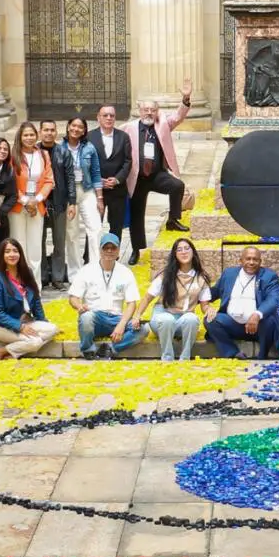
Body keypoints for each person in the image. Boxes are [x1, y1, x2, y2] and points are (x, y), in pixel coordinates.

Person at [124, 79, 194, 261]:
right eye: (146, 110)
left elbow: (178, 116)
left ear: (157, 112)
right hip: (137, 178)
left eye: (152, 110)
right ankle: (136, 250)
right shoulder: (128, 128)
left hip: (156, 175)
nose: (149, 113)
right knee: (136, 215)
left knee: (177, 185)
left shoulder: (163, 124)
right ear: (140, 111)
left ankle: (173, 220)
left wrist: (185, 98)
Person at [68, 234, 145, 359]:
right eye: (106, 248)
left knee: (142, 329)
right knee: (86, 318)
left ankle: (111, 349)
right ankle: (88, 350)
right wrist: (79, 306)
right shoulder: (87, 270)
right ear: (100, 250)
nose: (109, 251)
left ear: (118, 251)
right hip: (95, 316)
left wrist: (121, 324)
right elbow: (73, 297)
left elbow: (132, 303)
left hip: (116, 319)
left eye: (113, 248)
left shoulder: (126, 273)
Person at [0, 237, 57, 360]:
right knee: (35, 342)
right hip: (2, 326)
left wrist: (42, 322)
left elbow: (35, 300)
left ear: (20, 253)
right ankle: (1, 351)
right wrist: (20, 327)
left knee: (53, 329)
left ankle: (13, 351)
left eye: (15, 250)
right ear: (1, 256)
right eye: (7, 251)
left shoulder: (26, 272)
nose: (12, 254)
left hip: (25, 322)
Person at [206, 247, 279, 359]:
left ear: (260, 262)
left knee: (270, 321)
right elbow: (214, 292)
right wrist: (202, 299)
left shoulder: (269, 276)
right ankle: (232, 353)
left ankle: (262, 356)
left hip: (258, 327)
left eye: (255, 259)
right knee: (211, 320)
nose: (251, 262)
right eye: (248, 259)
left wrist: (257, 315)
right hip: (233, 324)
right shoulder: (229, 274)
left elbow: (272, 300)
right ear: (240, 260)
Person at [146, 238, 215, 361]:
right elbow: (147, 297)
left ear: (193, 252)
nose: (184, 252)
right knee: (167, 320)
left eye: (187, 248)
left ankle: (185, 357)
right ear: (175, 255)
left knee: (192, 319)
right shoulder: (165, 275)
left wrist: (209, 309)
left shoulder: (201, 278)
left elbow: (204, 305)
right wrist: (137, 316)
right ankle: (167, 357)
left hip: (183, 320)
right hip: (163, 318)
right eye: (179, 250)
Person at [7, 123, 56, 281]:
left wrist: (37, 200)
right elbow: (11, 182)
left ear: (37, 135)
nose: (29, 138)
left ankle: (35, 288)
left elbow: (49, 180)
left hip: (37, 205)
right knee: (18, 246)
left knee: (35, 249)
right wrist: (26, 201)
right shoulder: (13, 155)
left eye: (31, 135)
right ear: (20, 137)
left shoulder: (43, 155)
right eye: (25, 135)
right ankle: (19, 285)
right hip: (18, 206)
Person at [62, 118, 104, 277]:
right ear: (68, 127)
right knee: (71, 233)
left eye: (80, 127)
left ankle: (96, 268)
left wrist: (100, 198)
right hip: (68, 194)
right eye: (73, 125)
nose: (76, 129)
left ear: (84, 130)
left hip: (86, 191)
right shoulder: (60, 148)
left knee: (96, 228)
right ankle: (75, 272)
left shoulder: (89, 148)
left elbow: (96, 173)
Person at [41, 120, 74, 288]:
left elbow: (70, 178)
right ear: (40, 132)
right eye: (46, 130)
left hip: (59, 202)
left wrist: (72, 202)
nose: (49, 133)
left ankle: (58, 277)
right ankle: (41, 276)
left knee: (59, 242)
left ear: (56, 132)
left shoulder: (63, 151)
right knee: (39, 241)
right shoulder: (35, 152)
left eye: (52, 130)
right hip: (40, 204)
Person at [92, 106, 132, 242]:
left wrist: (117, 179)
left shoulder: (124, 137)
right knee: (93, 227)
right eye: (105, 115)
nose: (109, 118)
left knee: (116, 226)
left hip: (117, 190)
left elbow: (128, 161)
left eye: (112, 116)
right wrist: (98, 180)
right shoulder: (89, 137)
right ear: (98, 117)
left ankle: (114, 256)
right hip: (96, 190)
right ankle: (89, 257)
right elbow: (85, 164)